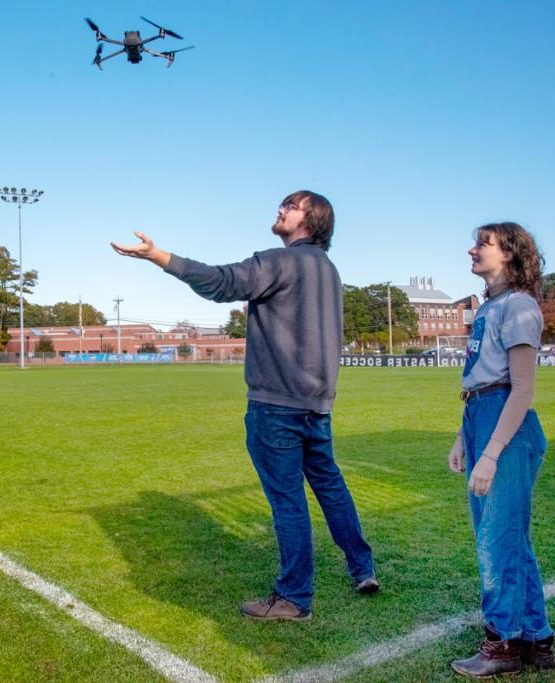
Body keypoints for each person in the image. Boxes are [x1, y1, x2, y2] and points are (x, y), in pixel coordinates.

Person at [111, 190, 378, 621]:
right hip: (317, 404)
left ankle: (294, 597)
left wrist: (157, 255)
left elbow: (221, 282)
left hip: (277, 405)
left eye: (290, 206)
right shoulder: (328, 269)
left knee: (288, 500)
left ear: (311, 219)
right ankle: (362, 567)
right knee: (329, 486)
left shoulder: (280, 260)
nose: (280, 209)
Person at [448, 223, 554, 678]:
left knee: (496, 540)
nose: (472, 250)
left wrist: (489, 453)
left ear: (509, 254)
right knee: (509, 537)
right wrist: (463, 436)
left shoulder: (520, 307)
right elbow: (480, 378)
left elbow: (521, 389)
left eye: (483, 244)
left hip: (504, 422)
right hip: (480, 414)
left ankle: (503, 643)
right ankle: (535, 639)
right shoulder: (492, 306)